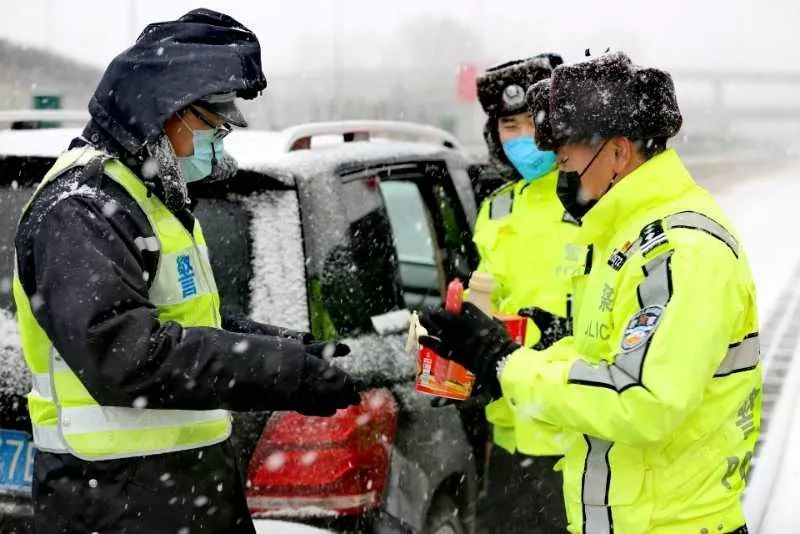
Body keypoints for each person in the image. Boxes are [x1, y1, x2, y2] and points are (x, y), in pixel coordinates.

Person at [12, 9, 360, 534]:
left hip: (173, 492)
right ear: (161, 113)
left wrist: (290, 352)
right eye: (212, 126)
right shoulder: (80, 209)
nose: (219, 142)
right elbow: (126, 354)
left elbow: (191, 318)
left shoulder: (146, 198)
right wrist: (280, 374)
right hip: (114, 501)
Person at [421, 52, 760, 533]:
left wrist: (505, 361)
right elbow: (594, 355)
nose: (562, 175)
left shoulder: (680, 249)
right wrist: (493, 351)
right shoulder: (626, 235)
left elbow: (641, 398)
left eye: (567, 159)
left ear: (619, 152)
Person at [470, 54, 578, 533]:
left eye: (532, 124)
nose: (522, 139)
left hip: (577, 429)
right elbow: (487, 296)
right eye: (508, 125)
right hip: (510, 430)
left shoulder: (593, 198)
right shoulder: (495, 208)